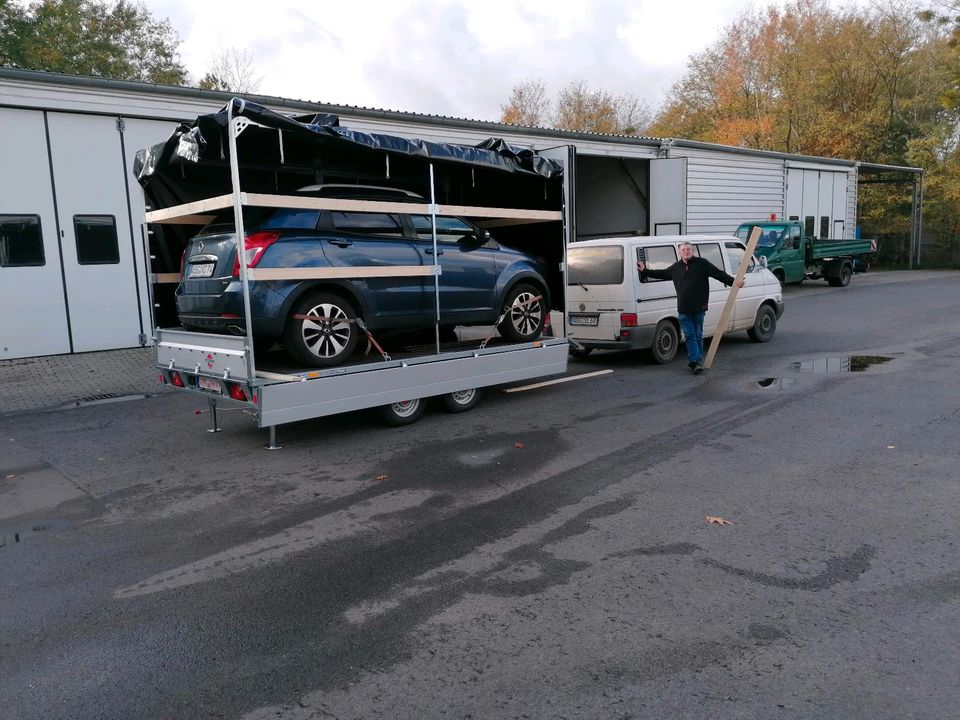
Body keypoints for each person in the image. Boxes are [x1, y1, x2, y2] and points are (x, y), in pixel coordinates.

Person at [637, 242, 744, 374]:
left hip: (700, 307)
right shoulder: (676, 267)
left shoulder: (702, 264)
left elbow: (718, 274)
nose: (686, 251)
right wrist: (645, 270)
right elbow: (662, 273)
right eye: (683, 250)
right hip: (684, 308)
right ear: (679, 252)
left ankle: (697, 361)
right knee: (690, 335)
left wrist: (735, 282)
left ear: (692, 251)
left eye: (688, 249)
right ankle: (694, 362)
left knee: (698, 335)